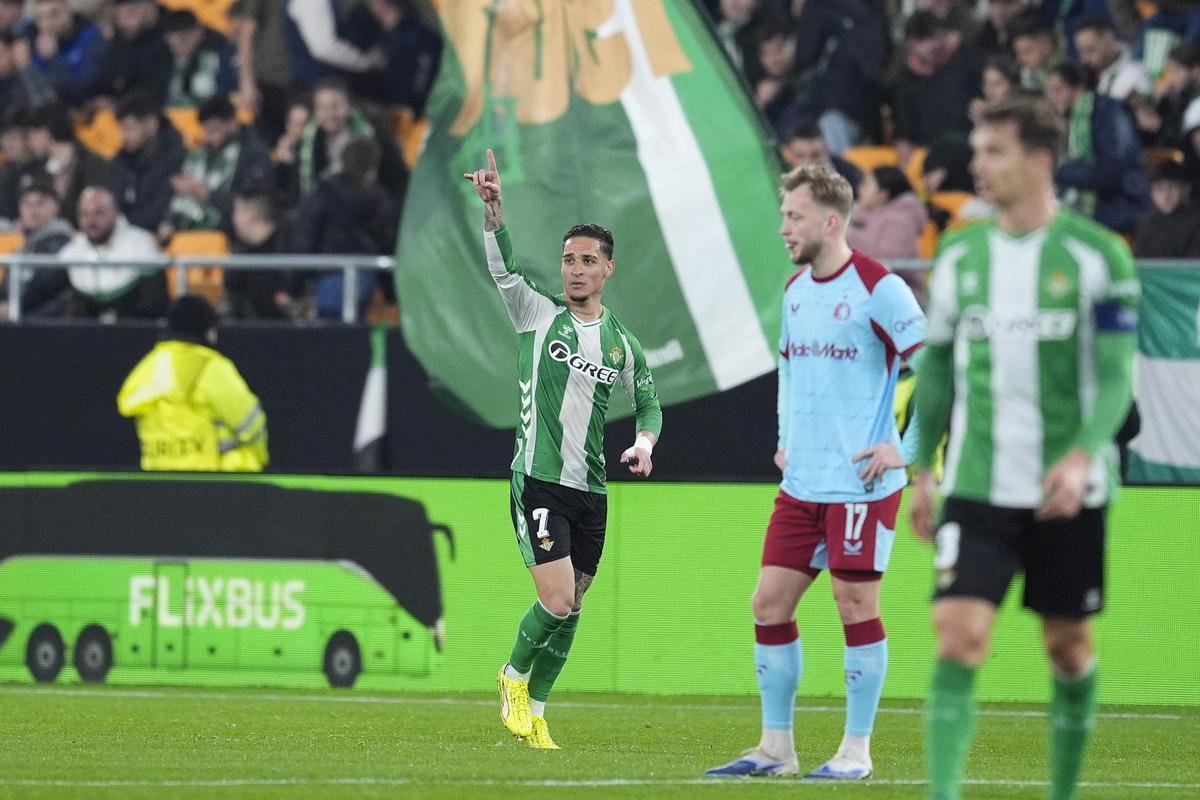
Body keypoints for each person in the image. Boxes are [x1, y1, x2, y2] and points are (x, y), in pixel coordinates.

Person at [910, 95, 1139, 800]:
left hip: (1067, 491)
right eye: (978, 152)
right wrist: (922, 468)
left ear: (1040, 160)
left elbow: (1116, 378)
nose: (978, 165)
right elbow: (939, 367)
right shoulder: (957, 256)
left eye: (994, 151)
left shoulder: (1098, 256)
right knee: (958, 636)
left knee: (1065, 648)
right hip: (977, 485)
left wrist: (1081, 455)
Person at [706, 163, 925, 780]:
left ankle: (856, 751)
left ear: (831, 221)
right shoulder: (796, 292)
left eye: (794, 216)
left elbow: (936, 370)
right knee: (769, 603)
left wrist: (904, 448)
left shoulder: (881, 287)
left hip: (861, 484)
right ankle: (776, 750)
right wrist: (783, 442)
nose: (783, 227)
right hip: (801, 483)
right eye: (783, 215)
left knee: (855, 605)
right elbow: (790, 373)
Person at [465, 149, 662, 750]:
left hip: (592, 490)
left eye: (586, 261)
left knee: (572, 607)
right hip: (539, 478)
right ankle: (512, 676)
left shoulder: (622, 343)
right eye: (568, 260)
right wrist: (495, 211)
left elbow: (649, 402)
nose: (574, 270)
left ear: (608, 270)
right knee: (552, 599)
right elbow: (505, 270)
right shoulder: (536, 314)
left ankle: (540, 711)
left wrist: (644, 442)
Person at [118, 294, 269, 471]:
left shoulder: (147, 368)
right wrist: (260, 460)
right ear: (205, 330)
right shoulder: (209, 366)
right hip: (217, 480)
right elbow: (250, 422)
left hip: (159, 479)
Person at [1045, 62, 1149, 234]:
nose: (1052, 97)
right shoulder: (1068, 120)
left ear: (1078, 88)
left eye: (1058, 90)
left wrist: (1059, 172)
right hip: (1098, 202)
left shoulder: (1107, 111)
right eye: (1050, 91)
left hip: (1122, 203)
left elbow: (1109, 172)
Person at [56, 184, 167, 319]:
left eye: (99, 212)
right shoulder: (72, 250)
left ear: (115, 213)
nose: (91, 221)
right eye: (84, 214)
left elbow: (154, 302)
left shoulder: (141, 244)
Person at [166, 95, 272, 235]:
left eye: (214, 130)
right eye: (205, 130)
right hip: (186, 229)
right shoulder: (199, 153)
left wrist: (207, 194)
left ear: (232, 123)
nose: (208, 137)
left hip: (231, 231)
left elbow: (252, 203)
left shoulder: (254, 154)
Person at [109, 92, 187, 235]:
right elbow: (114, 200)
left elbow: (161, 206)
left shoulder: (175, 157)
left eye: (129, 128)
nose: (124, 136)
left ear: (151, 124)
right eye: (121, 129)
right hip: (122, 233)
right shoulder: (122, 158)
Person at [847, 165, 929, 260]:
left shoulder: (900, 220)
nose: (860, 189)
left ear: (882, 193)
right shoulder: (858, 213)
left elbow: (890, 257)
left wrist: (850, 235)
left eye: (866, 184)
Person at [1073, 17, 1153, 104]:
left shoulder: (1135, 74)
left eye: (1090, 50)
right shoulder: (1088, 82)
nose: (1085, 59)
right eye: (1081, 52)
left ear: (1110, 42)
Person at [1133, 159, 1200, 257]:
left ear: (1186, 189)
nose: (1165, 196)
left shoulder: (1197, 221)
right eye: (1159, 189)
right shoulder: (1146, 224)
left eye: (1172, 188)